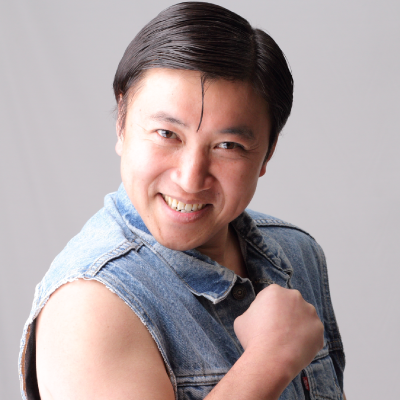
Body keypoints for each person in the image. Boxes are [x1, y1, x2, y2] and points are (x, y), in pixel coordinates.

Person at [19, 2, 345, 399]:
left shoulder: (298, 253)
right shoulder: (89, 305)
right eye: (167, 134)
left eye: (228, 145)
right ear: (121, 122)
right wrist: (269, 361)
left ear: (268, 152)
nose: (190, 179)